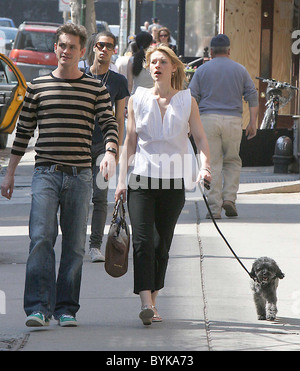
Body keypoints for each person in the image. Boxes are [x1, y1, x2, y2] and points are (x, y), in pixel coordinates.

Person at [0, 23, 118, 327]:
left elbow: (110, 124)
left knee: (75, 244)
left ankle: (66, 308)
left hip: (80, 176)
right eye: (61, 45)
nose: (66, 51)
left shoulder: (95, 88)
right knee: (41, 238)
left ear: (81, 51)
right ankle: (38, 308)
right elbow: (23, 132)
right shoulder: (37, 87)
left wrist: (110, 152)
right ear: (56, 49)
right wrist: (10, 174)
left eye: (72, 47)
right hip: (45, 174)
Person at [115, 44, 211, 326]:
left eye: (163, 62)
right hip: (141, 182)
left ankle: (153, 300)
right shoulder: (137, 99)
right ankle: (146, 301)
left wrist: (205, 167)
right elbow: (129, 142)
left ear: (174, 68)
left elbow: (201, 139)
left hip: (173, 184)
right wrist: (122, 181)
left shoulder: (186, 100)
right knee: (143, 243)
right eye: (153, 62)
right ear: (148, 67)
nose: (157, 66)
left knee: (161, 245)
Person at [189, 34, 258, 219]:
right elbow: (252, 94)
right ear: (228, 51)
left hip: (208, 120)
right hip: (234, 121)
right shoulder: (240, 70)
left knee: (212, 163)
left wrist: (189, 124)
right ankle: (229, 198)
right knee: (233, 161)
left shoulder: (202, 71)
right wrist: (253, 122)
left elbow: (192, 98)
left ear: (211, 52)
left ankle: (214, 208)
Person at [87, 31, 130, 262]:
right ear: (93, 47)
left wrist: (117, 153)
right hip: (79, 145)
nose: (104, 49)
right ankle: (74, 242)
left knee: (100, 197)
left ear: (114, 51)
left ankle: (95, 246)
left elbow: (119, 119)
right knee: (78, 196)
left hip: (104, 147)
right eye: (100, 45)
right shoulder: (80, 74)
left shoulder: (118, 81)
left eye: (109, 46)